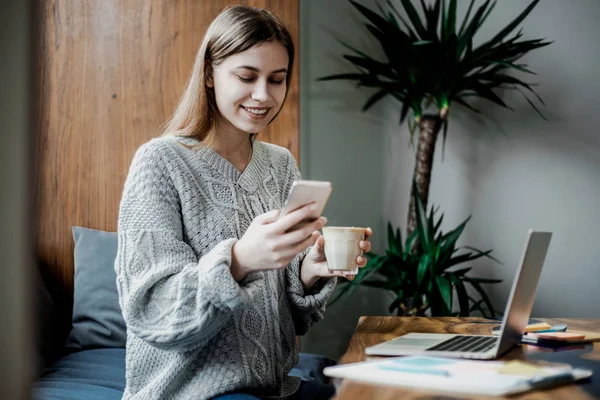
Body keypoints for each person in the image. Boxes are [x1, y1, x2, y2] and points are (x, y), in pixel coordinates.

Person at [115, 5, 372, 400]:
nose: (263, 95)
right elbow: (152, 311)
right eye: (247, 76)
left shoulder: (281, 165)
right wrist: (238, 260)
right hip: (191, 392)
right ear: (209, 74)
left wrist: (309, 273)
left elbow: (288, 315)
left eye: (277, 80)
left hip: (275, 387)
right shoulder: (160, 162)